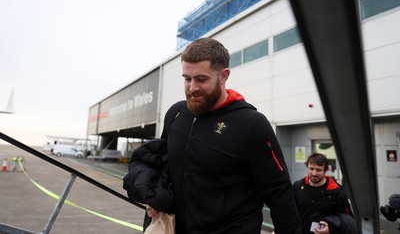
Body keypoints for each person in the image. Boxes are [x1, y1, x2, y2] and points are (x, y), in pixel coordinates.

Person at [124, 37, 301, 234]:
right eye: (187, 79)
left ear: (224, 76)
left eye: (201, 79)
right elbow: (160, 162)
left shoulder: (252, 124)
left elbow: (279, 193)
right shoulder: (176, 114)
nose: (192, 88)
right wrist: (154, 196)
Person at [293, 152, 357, 234]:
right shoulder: (297, 187)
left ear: (326, 170)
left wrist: (331, 229)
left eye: (318, 170)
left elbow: (347, 221)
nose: (314, 173)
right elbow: (288, 212)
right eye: (311, 169)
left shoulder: (336, 191)